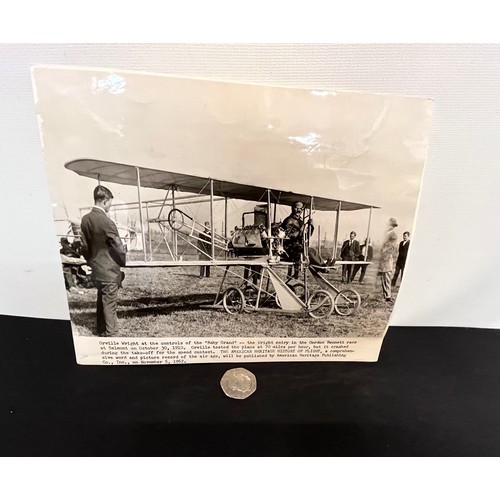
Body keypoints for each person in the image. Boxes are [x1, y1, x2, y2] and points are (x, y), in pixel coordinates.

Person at [80, 185, 127, 337]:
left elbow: (84, 246)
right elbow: (118, 246)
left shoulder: (85, 219)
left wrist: (90, 261)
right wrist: (122, 261)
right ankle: (111, 333)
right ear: (105, 201)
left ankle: (101, 331)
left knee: (101, 300)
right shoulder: (107, 222)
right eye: (110, 203)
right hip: (109, 270)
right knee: (110, 303)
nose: (110, 206)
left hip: (96, 269)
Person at [280, 201, 333, 278]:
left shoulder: (300, 221)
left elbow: (306, 236)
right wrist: (301, 230)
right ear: (292, 208)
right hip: (289, 248)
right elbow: (288, 236)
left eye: (301, 209)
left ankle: (323, 266)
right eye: (296, 208)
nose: (299, 210)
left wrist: (310, 226)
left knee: (312, 250)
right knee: (309, 251)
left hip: (299, 246)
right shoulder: (289, 220)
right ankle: (322, 267)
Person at [379, 218, 398, 302]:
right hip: (382, 259)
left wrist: (383, 251)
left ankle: (388, 296)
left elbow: (391, 247)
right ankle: (385, 295)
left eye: (389, 225)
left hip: (387, 258)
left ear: (392, 226)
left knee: (387, 277)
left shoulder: (393, 236)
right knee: (383, 278)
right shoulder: (384, 234)